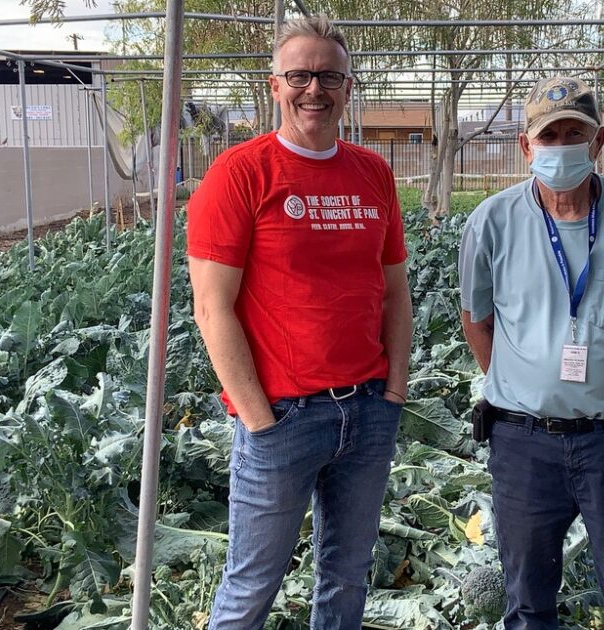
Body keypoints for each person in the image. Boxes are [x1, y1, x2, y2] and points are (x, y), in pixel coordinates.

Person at [185, 15, 412, 630]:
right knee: (252, 583)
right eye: (301, 75)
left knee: (346, 576)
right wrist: (259, 417)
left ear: (348, 86)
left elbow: (395, 292)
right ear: (275, 85)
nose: (315, 89)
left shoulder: (373, 173)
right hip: (282, 418)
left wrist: (393, 392)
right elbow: (212, 308)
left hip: (366, 411)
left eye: (330, 76)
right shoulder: (239, 173)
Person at [458, 76, 604, 630]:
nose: (561, 146)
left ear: (599, 140)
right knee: (529, 601)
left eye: (574, 134)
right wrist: (525, 386)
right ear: (526, 146)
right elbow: (476, 319)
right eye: (549, 135)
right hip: (524, 445)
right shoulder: (492, 221)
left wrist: (601, 384)